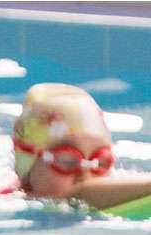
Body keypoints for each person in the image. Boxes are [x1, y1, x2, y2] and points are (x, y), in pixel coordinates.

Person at [13, 83, 151, 210]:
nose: (85, 173)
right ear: (27, 166)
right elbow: (84, 194)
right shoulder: (10, 201)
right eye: (68, 161)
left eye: (101, 162)